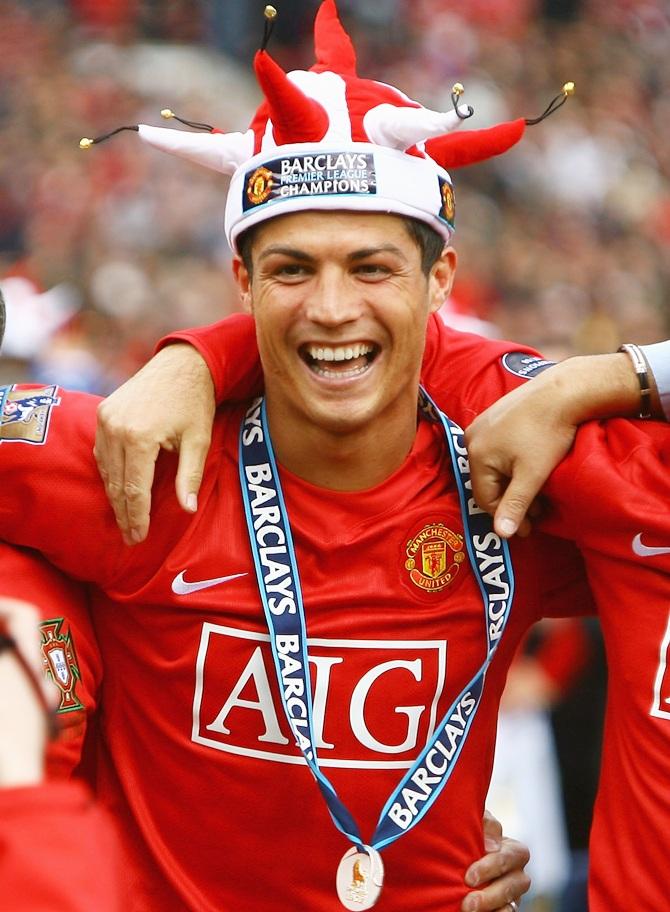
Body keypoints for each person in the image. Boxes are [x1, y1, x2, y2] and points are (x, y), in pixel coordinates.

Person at [2, 2, 666, 910]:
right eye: (289, 271)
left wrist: (605, 379)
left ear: (441, 284)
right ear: (241, 282)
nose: (331, 307)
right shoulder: (142, 461)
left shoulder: (524, 477)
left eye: (371, 267)